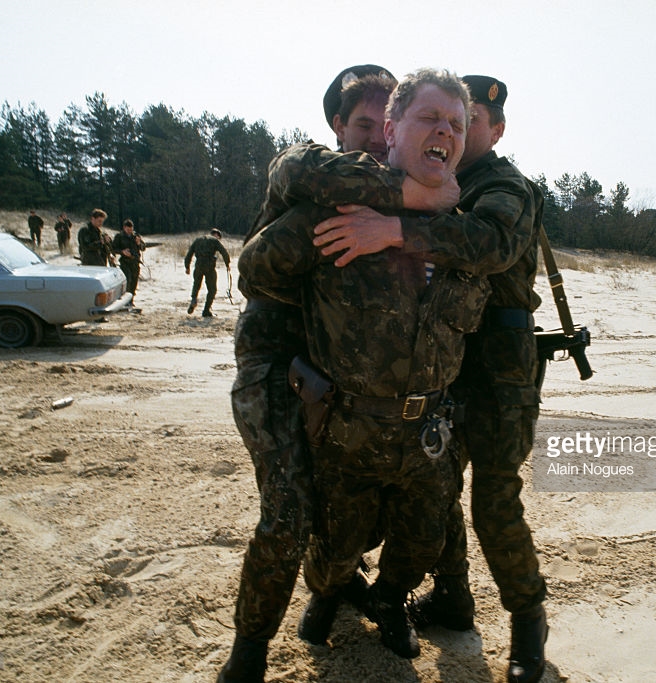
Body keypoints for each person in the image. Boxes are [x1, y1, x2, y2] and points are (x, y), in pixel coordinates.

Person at [310, 75, 548, 683]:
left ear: (494, 130)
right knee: (436, 491)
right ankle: (452, 596)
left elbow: (490, 243)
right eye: (440, 118)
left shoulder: (504, 186)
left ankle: (528, 626)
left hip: (498, 367)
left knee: (494, 502)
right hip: (440, 361)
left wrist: (397, 229)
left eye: (468, 121)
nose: (451, 130)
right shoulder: (431, 182)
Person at [237, 68, 478, 663]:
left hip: (423, 431)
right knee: (321, 535)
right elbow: (259, 270)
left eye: (456, 123)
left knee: (422, 536)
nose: (444, 131)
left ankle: (389, 598)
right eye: (429, 118)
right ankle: (297, 616)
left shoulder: (463, 236)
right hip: (340, 419)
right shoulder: (338, 210)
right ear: (390, 131)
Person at [218, 64, 424, 682]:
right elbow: (256, 268)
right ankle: (248, 655)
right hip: (276, 363)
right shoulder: (311, 175)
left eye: (386, 127)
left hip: (336, 377)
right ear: (337, 125)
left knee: (354, 503)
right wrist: (417, 192)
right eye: (363, 125)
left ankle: (336, 591)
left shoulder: (384, 208)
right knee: (288, 511)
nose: (376, 139)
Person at [184, 228, 230, 317]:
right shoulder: (215, 241)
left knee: (196, 284)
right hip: (209, 266)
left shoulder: (198, 240)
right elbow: (224, 252)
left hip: (198, 265)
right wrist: (227, 264)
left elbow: (189, 254)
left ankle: (194, 299)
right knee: (212, 290)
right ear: (216, 235)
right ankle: (206, 310)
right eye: (219, 237)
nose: (219, 239)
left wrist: (187, 267)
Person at [111, 219, 145, 306]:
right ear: (124, 228)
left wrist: (139, 243)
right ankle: (125, 301)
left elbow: (143, 248)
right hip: (125, 262)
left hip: (135, 262)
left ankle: (131, 300)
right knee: (127, 281)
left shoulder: (136, 236)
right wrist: (122, 252)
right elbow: (113, 248)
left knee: (134, 282)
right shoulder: (119, 236)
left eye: (131, 229)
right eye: (128, 229)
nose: (130, 231)